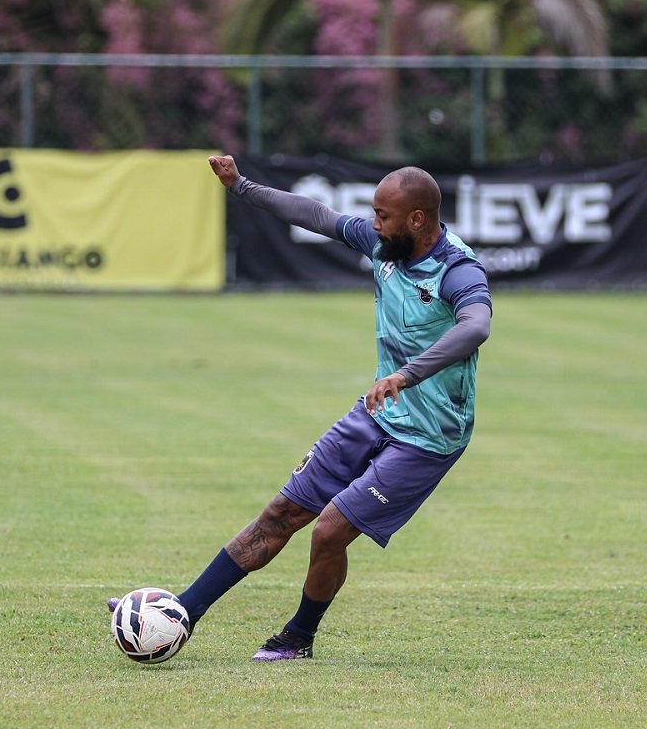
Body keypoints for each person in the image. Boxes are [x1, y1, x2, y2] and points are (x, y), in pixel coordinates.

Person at [110, 158, 492, 661]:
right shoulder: (384, 246)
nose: (374, 224)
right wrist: (241, 186)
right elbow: (315, 215)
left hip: (428, 438)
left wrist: (406, 375)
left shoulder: (457, 269)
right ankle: (181, 611)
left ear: (417, 220)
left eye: (383, 215)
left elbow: (475, 326)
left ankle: (298, 638)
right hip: (377, 413)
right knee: (281, 512)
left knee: (329, 530)